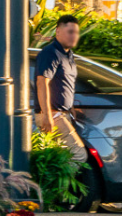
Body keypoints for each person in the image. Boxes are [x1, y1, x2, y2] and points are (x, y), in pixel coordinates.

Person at [35, 14, 90, 163]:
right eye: (70, 32)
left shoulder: (68, 55)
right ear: (58, 31)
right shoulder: (50, 53)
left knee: (57, 161)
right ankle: (58, 187)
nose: (74, 36)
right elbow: (42, 83)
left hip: (62, 114)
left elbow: (64, 84)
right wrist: (47, 115)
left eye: (76, 32)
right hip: (53, 115)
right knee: (78, 156)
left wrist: (69, 107)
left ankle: (50, 187)